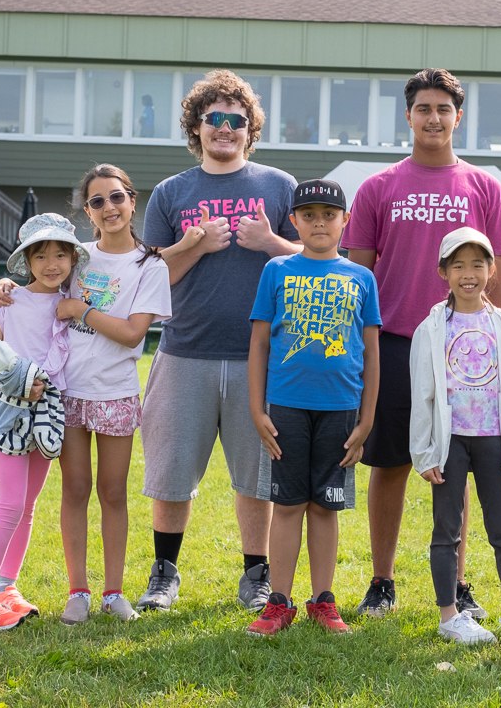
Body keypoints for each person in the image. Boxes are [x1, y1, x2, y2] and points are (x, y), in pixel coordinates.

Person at [342, 67, 501, 620]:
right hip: (393, 343)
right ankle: (382, 580)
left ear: (457, 117)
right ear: (409, 115)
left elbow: (500, 276)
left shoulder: (484, 188)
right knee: (388, 464)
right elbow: (356, 279)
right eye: (423, 108)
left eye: (444, 109)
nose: (434, 118)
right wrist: (352, 351)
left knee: (457, 466)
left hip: (466, 349)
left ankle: (459, 585)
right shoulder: (378, 187)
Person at [138, 69, 302, 613]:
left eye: (236, 120)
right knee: (171, 469)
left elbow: (316, 266)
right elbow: (152, 278)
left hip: (261, 357)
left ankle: (257, 574)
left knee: (257, 473)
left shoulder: (278, 187)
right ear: (197, 126)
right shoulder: (171, 193)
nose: (225, 129)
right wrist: (194, 246)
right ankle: (164, 572)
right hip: (184, 350)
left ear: (250, 130)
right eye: (215, 119)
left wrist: (269, 241)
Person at [0, 166, 180, 624]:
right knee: (74, 490)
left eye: (116, 198)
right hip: (66, 393)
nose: (109, 208)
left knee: (113, 494)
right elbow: (36, 286)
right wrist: (3, 286)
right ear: (88, 212)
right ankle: (79, 591)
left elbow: (134, 334)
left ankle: (114, 592)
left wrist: (83, 310)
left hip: (115, 393)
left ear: (133, 201)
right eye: (97, 201)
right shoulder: (76, 257)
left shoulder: (150, 266)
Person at [244, 179, 381, 636]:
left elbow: (372, 352)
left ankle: (323, 599)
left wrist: (366, 418)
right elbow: (260, 343)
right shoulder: (277, 270)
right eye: (309, 215)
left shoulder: (361, 277)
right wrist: (257, 409)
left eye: (329, 214)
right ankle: (278, 601)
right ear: (294, 221)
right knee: (287, 505)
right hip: (286, 407)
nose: (319, 222)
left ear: (345, 221)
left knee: (326, 506)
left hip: (340, 409)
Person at [0, 213, 87, 629]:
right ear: (26, 261)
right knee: (10, 505)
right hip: (12, 413)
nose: (52, 264)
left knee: (28, 508)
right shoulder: (9, 300)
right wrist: (18, 386)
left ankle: (5, 587)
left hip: (50, 413)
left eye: (60, 254)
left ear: (72, 258)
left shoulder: (71, 301)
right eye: (41, 256)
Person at [411, 228, 501, 650]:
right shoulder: (430, 328)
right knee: (446, 529)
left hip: (493, 439)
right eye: (458, 265)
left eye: (477, 264)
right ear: (443, 271)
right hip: (450, 442)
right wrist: (423, 451)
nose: (468, 274)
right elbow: (421, 394)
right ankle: (449, 615)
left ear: (491, 270)